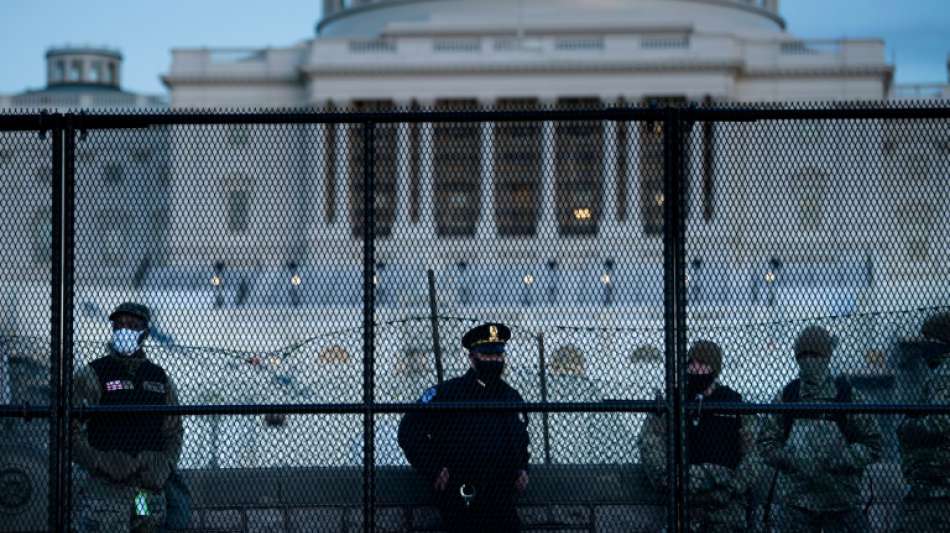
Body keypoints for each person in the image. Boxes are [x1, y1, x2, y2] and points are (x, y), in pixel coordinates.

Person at [398, 323, 530, 533]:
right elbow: (409, 430)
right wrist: (433, 468)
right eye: (487, 355)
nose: (494, 360)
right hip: (461, 489)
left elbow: (520, 438)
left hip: (501, 490)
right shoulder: (448, 394)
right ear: (472, 357)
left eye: (498, 355)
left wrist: (522, 467)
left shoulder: (509, 395)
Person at [757, 325, 883, 533]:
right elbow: (766, 443)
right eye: (803, 355)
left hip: (841, 501)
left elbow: (874, 443)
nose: (809, 360)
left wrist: (843, 458)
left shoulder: (846, 395)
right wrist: (792, 459)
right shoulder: (788, 396)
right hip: (796, 501)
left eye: (815, 354)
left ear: (826, 356)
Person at [71, 302, 183, 533]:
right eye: (119, 325)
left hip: (144, 492)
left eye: (132, 326)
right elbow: (70, 431)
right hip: (106, 494)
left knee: (145, 525)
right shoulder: (93, 374)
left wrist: (164, 465)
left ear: (145, 333)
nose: (124, 330)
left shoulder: (160, 379)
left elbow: (173, 431)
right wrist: (100, 461)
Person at [638, 340, 760, 532]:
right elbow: (649, 440)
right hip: (683, 499)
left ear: (714, 369)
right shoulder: (675, 399)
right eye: (692, 364)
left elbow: (755, 450)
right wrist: (667, 479)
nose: (695, 369)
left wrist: (733, 486)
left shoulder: (734, 402)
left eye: (703, 365)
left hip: (726, 504)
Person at [896, 312, 950, 532]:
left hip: (937, 481)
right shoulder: (938, 372)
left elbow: (941, 421)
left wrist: (908, 427)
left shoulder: (943, 374)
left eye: (929, 340)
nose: (924, 347)